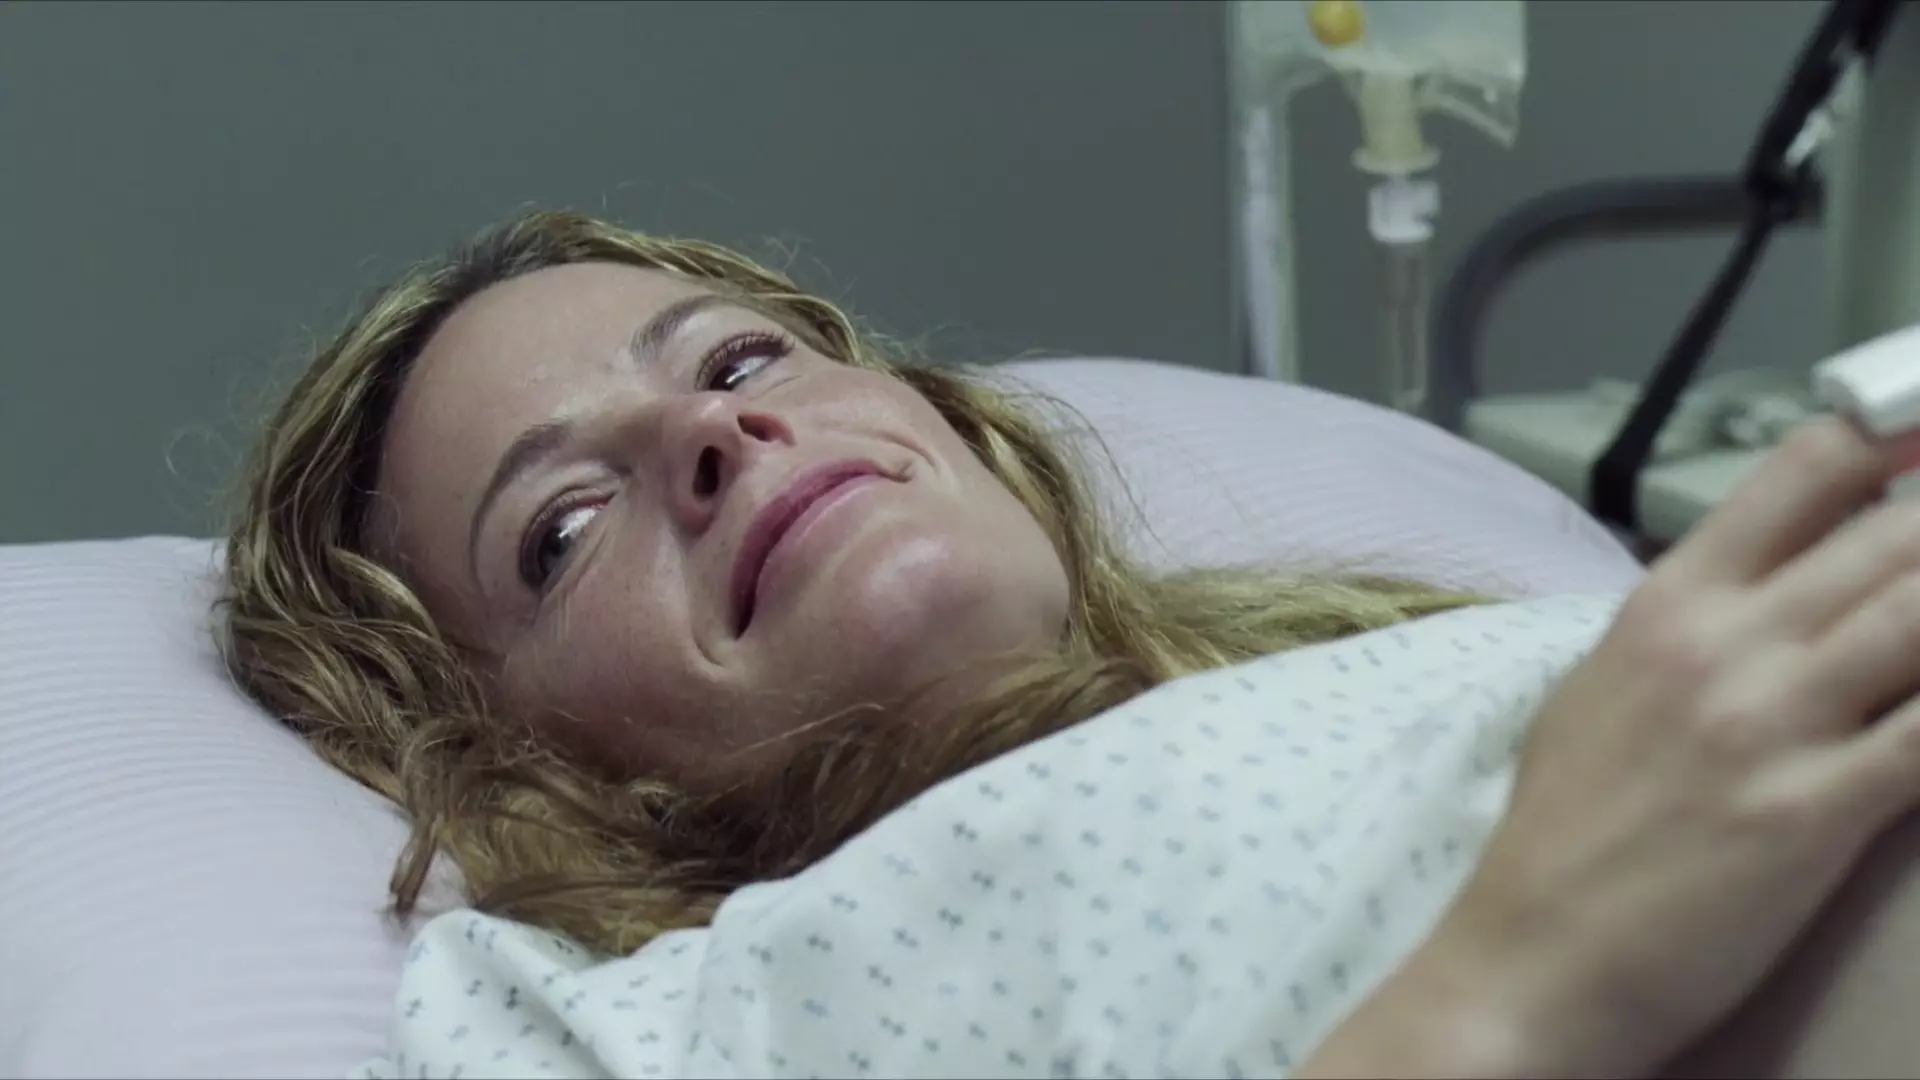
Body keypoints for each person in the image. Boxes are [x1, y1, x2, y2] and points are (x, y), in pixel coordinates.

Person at [222, 209, 1920, 1078]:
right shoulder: (644, 1024)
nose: (713, 435)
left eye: (739, 363)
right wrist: (1527, 978)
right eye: (563, 528)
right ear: (509, 746)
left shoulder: (1418, 653)